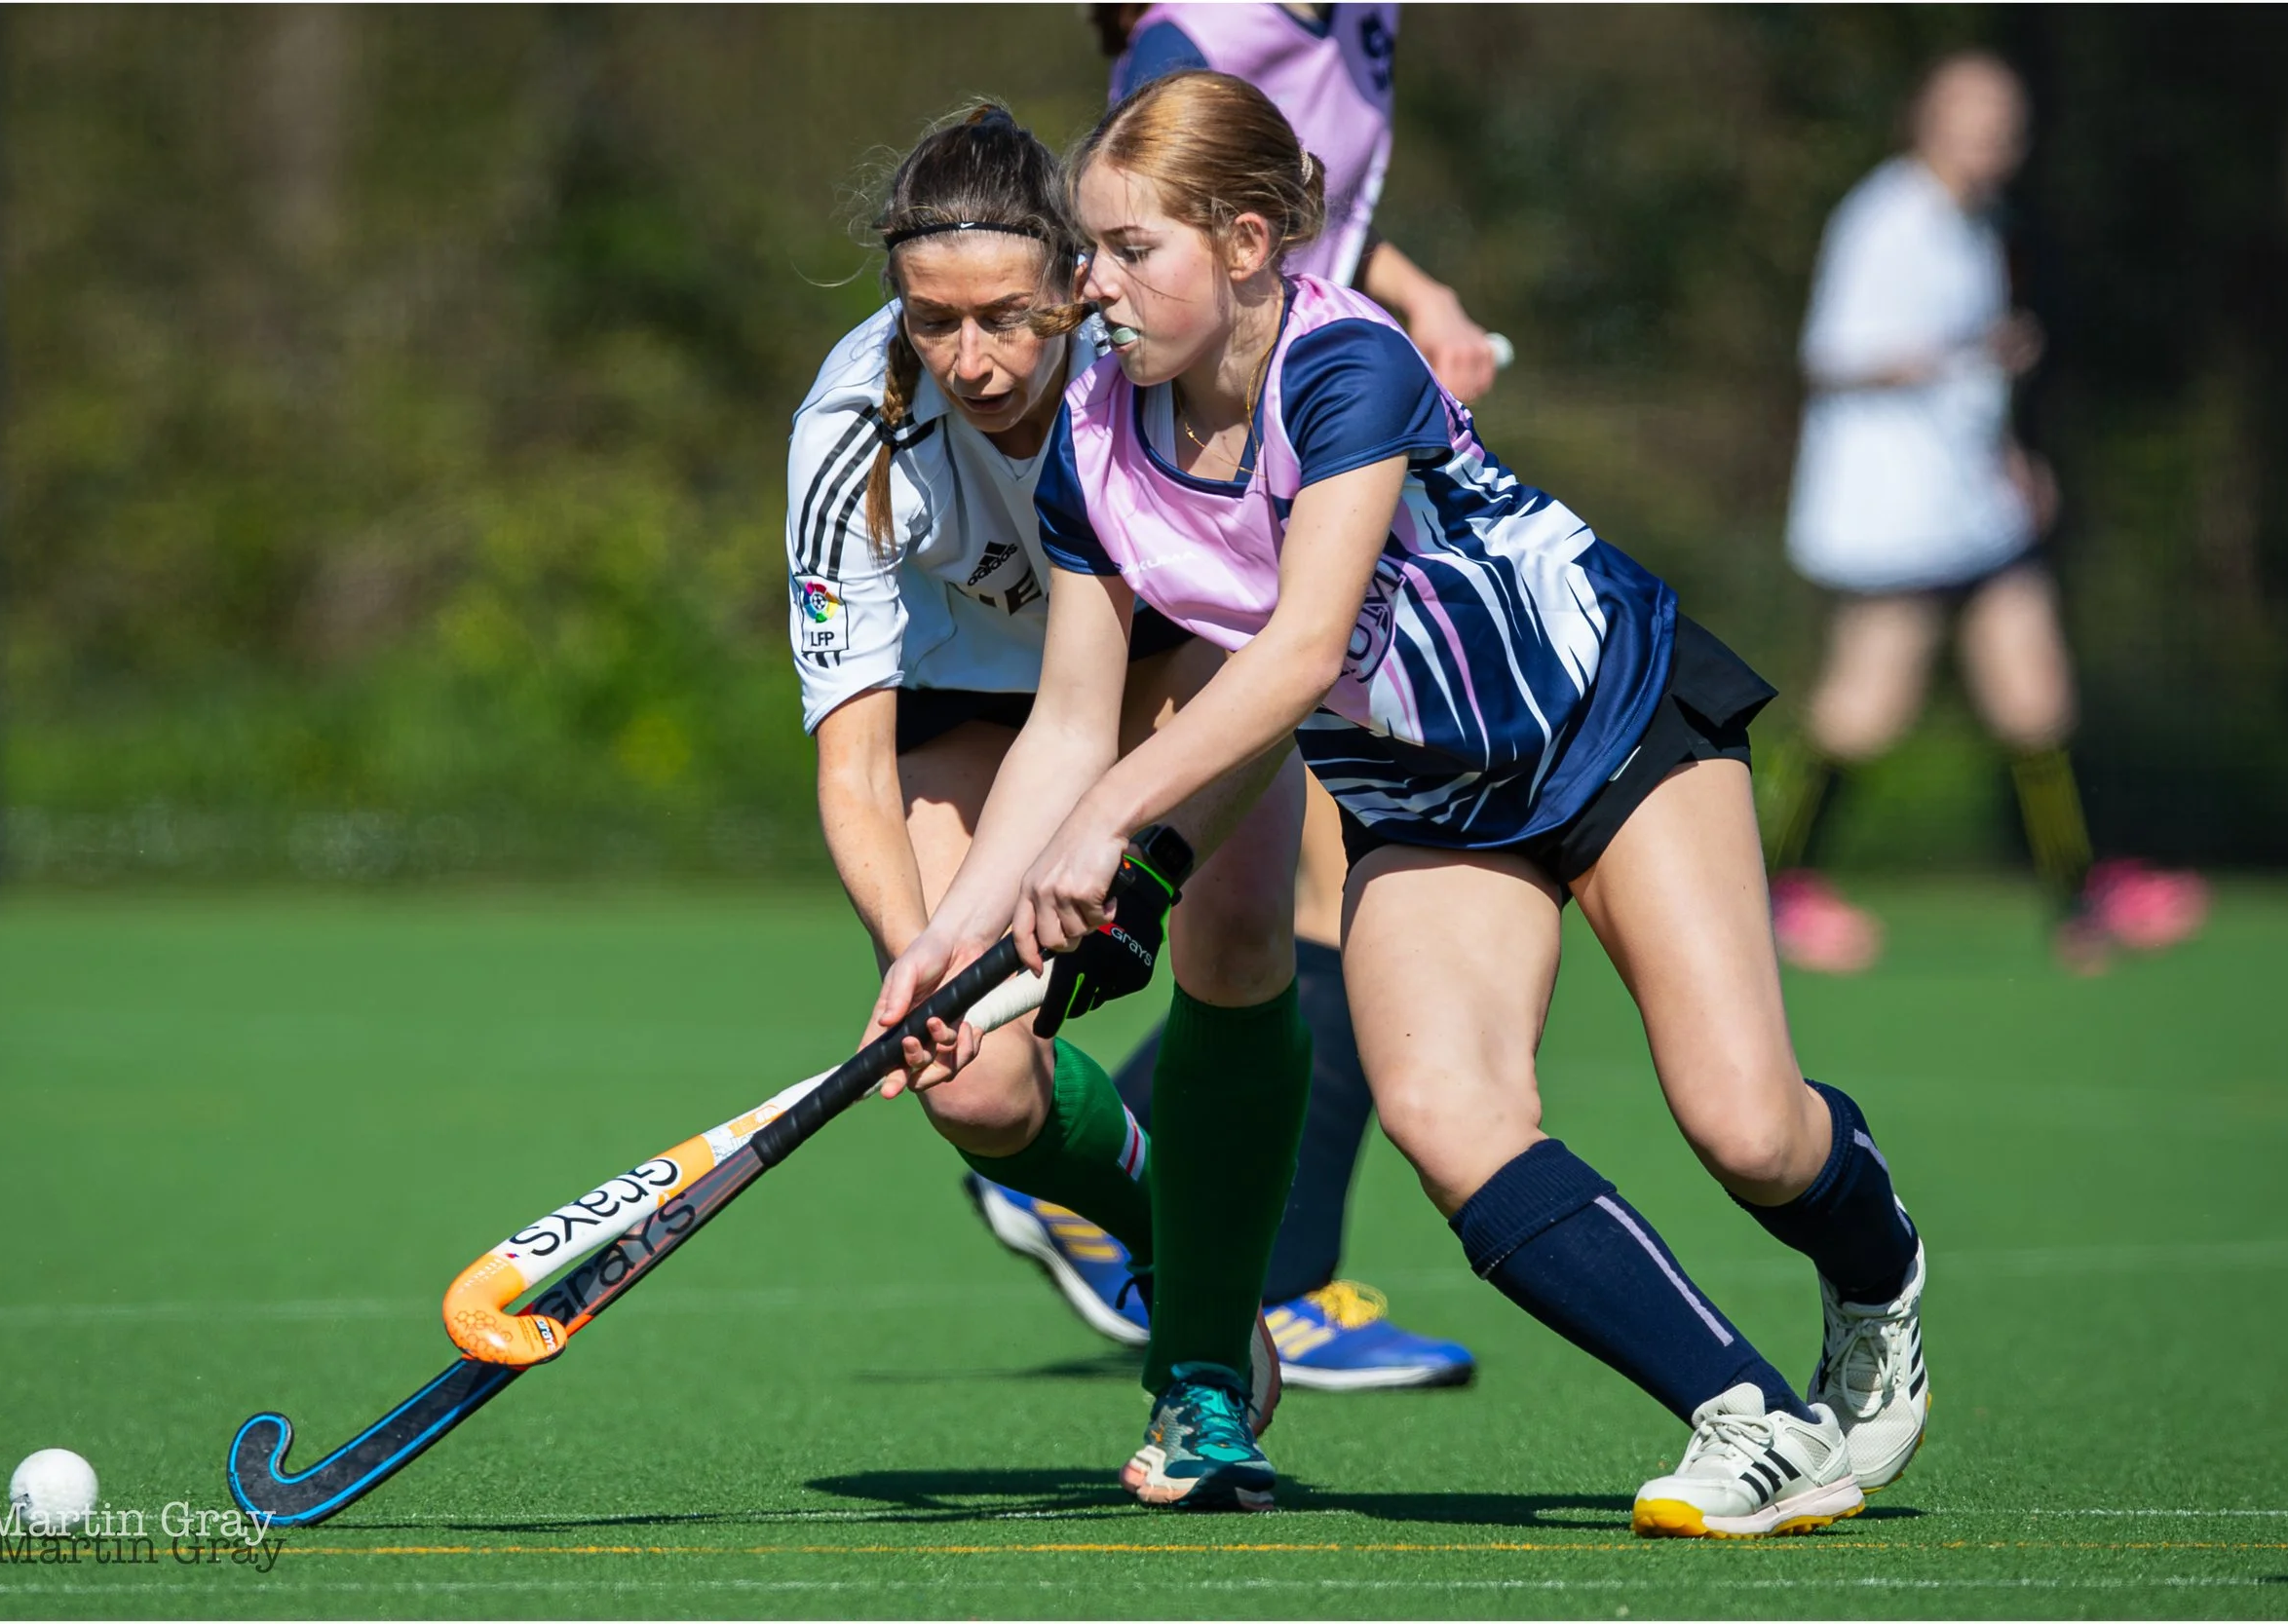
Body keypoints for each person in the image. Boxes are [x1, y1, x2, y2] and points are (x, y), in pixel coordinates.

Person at [876, 72, 1928, 1531]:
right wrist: (947, 945)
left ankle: (1879, 1277)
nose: (1090, 288)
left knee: (1749, 1128)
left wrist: (1114, 825)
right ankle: (1751, 1414)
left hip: (1605, 722)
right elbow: (1065, 718)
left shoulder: (1345, 365)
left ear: (1246, 243)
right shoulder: (1096, 437)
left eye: (1129, 251)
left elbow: (1302, 645)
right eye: (1091, 249)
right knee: (1448, 1112)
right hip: (1419, 793)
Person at [966, 0, 1496, 1392]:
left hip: (1278, 465)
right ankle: (1272, 1275)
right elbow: (1161, 218)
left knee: (1270, 916)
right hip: (1197, 497)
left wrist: (1416, 294)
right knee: (1330, 902)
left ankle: (1145, 1203)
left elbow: (1275, 204)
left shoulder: (1356, 23)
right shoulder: (1193, 32)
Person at [787, 101, 1313, 1469]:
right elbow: (852, 755)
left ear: (1077, 280)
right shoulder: (851, 429)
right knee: (973, 1084)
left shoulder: (1152, 367)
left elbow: (1260, 609)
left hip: (1183, 658)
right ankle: (1167, 1240)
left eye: (1008, 317)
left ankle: (1198, 1367)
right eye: (931, 320)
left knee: (1242, 933)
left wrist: (1126, 826)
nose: (970, 360)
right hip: (975, 706)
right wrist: (917, 956)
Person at [1771, 50, 2208, 975]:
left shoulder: (1978, 224)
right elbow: (1834, 356)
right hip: (1891, 509)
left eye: (2005, 118)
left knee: (2034, 686)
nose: (1993, 135)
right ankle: (1780, 888)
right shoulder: (1885, 220)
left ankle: (2080, 894)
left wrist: (2008, 453)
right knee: (1865, 709)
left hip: (1969, 504)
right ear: (1925, 118)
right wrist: (1959, 351)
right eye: (1972, 113)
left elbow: (1969, 374)